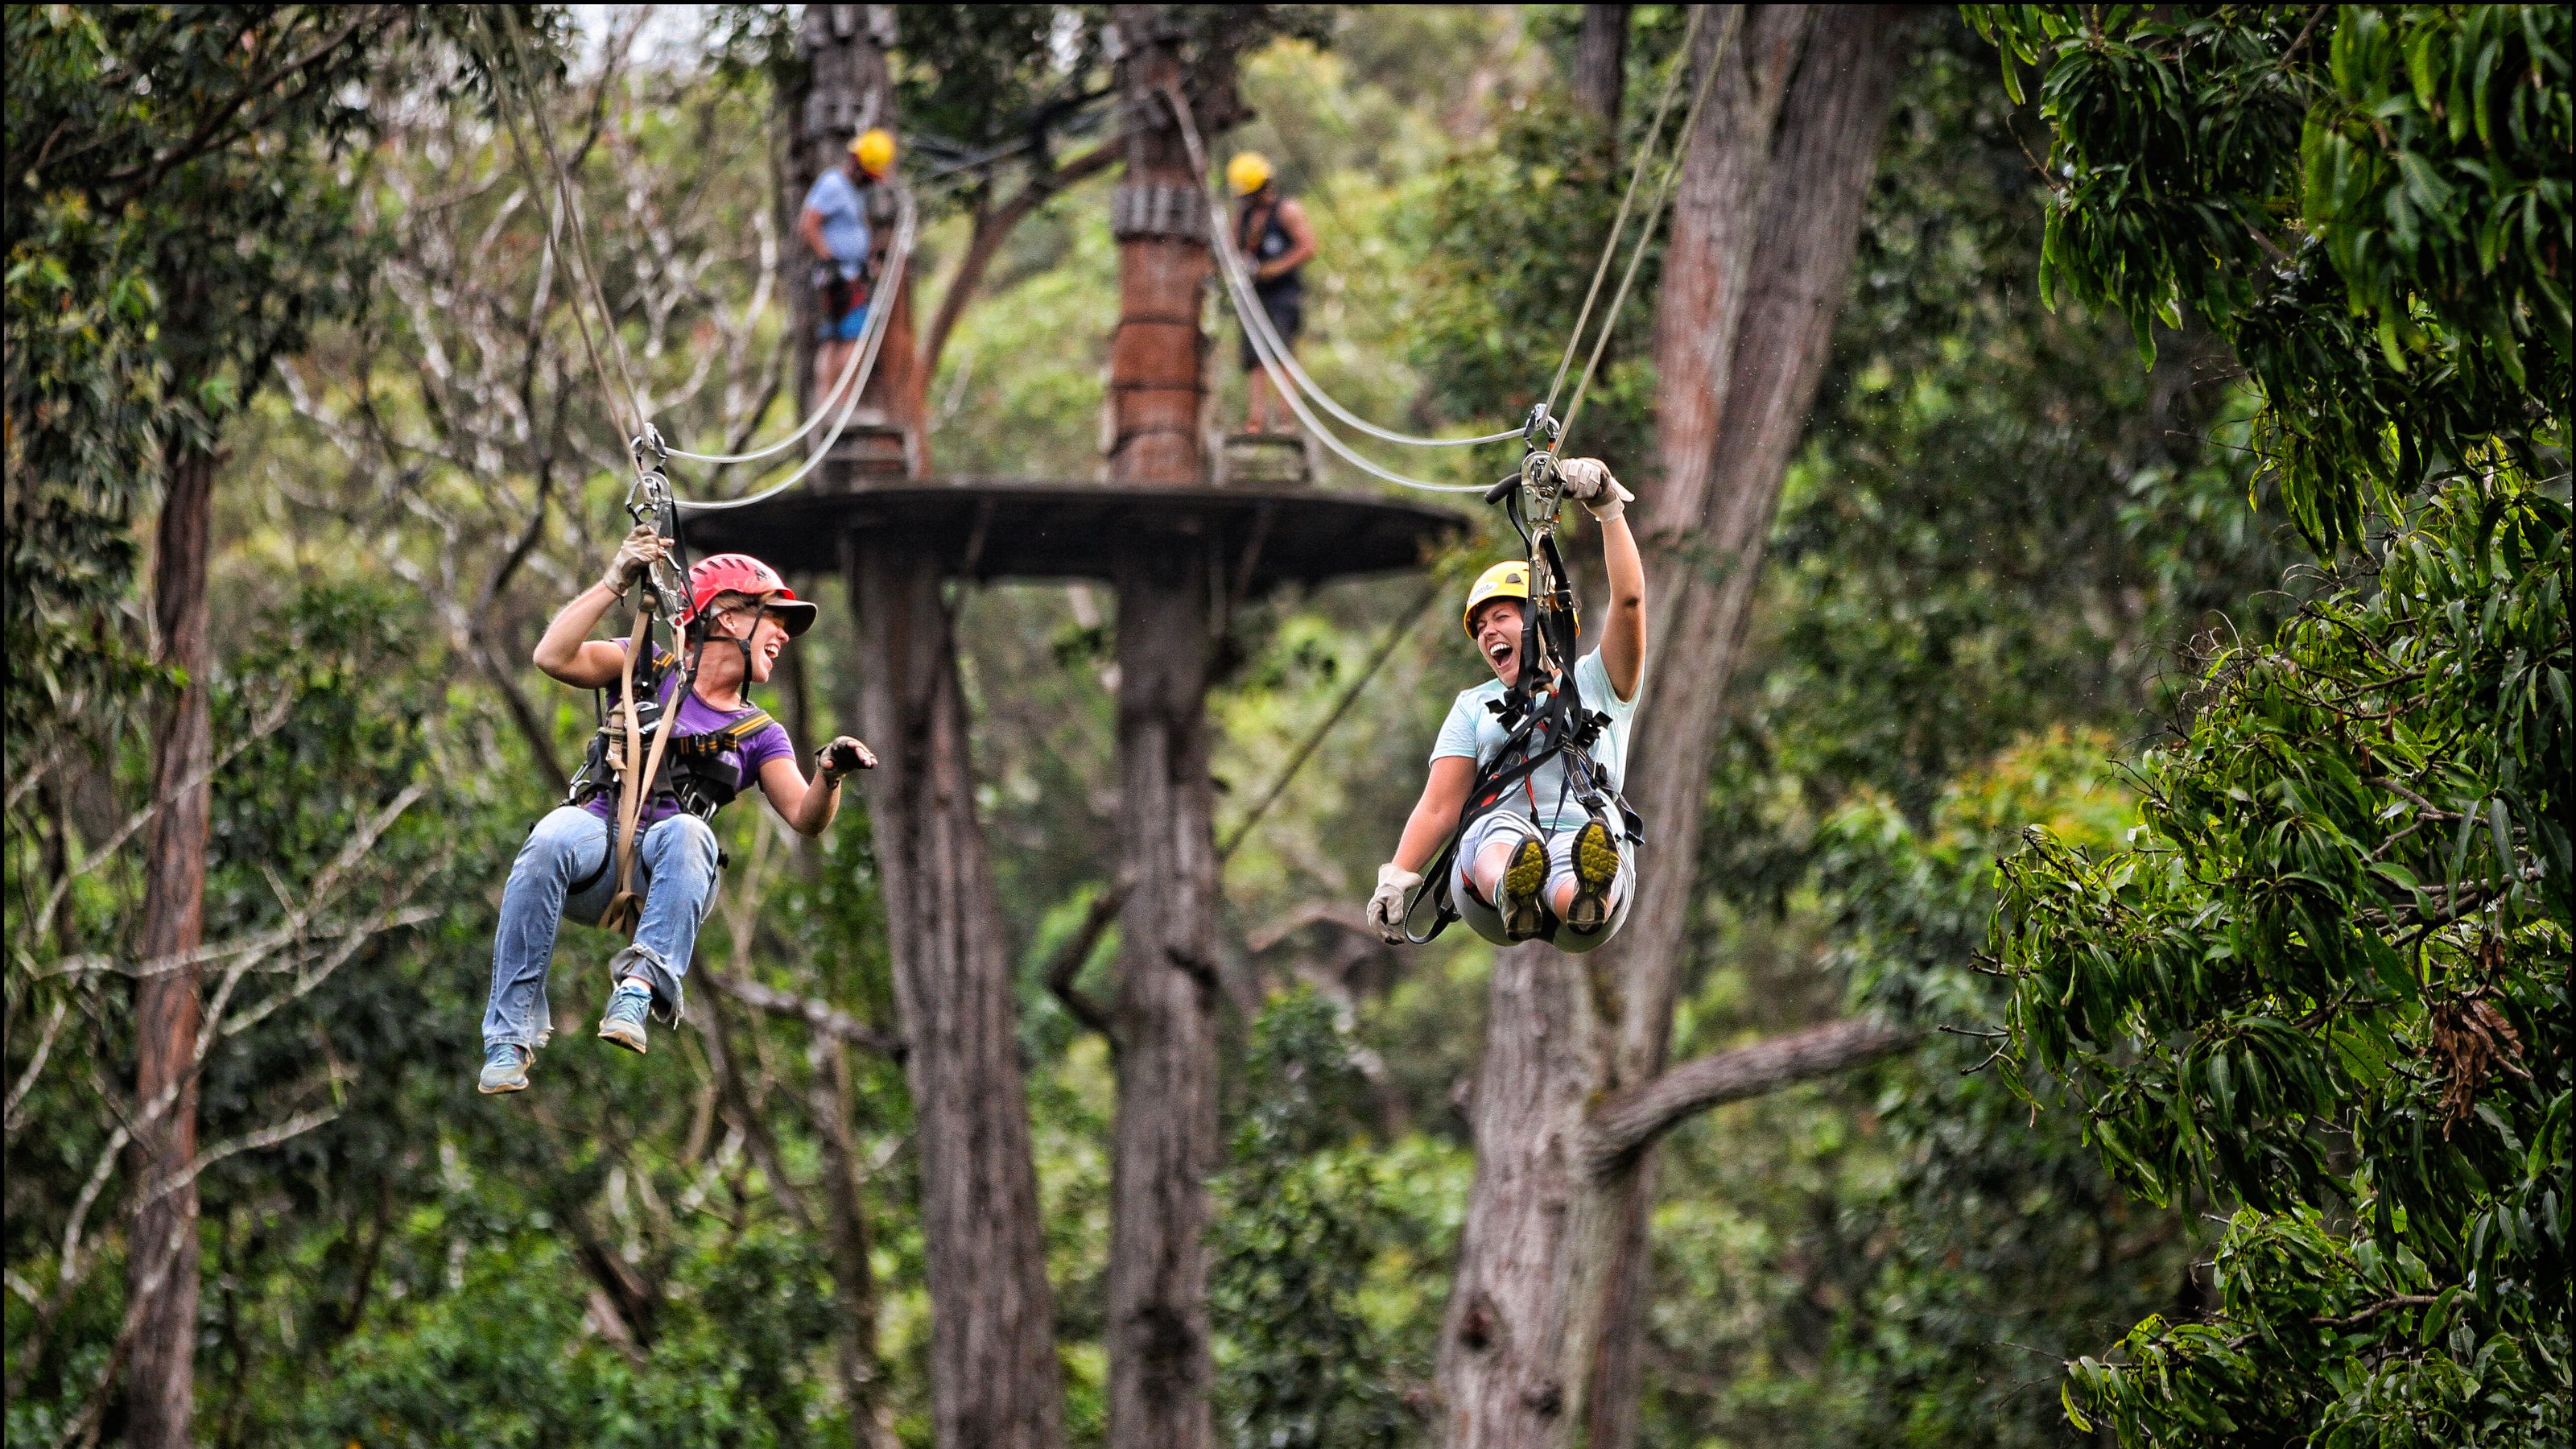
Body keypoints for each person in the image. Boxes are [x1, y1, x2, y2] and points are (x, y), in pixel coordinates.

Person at [477, 529, 877, 1094]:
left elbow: (806, 818)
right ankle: (507, 1038)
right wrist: (615, 579)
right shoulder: (643, 667)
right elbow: (552, 656)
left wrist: (830, 774)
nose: (784, 637)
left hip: (665, 876)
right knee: (546, 838)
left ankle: (640, 988)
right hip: (596, 842)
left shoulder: (759, 734)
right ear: (730, 619)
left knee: (690, 832)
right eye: (775, 619)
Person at [1365, 458, 1644, 951]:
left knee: (1585, 842)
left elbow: (1629, 602)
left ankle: (1581, 895)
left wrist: (1607, 510)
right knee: (1496, 827)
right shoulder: (1474, 706)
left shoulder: (1598, 682)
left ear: (1543, 618)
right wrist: (1398, 875)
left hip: (1586, 840)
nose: (1488, 632)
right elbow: (1439, 807)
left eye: (1501, 616)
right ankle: (1515, 888)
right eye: (1481, 628)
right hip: (1487, 882)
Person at [799, 126, 896, 411]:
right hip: (838, 277)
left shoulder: (853, 192)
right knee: (848, 340)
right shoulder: (833, 184)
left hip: (851, 272)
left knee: (838, 339)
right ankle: (837, 407)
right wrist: (829, 261)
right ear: (859, 165)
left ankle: (834, 406)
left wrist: (867, 260)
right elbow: (808, 224)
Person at [1227, 151, 1316, 435]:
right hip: (1255, 297)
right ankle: (1257, 419)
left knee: (1282, 354)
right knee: (1255, 358)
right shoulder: (1243, 217)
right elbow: (1231, 250)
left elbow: (1308, 246)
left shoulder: (1287, 210)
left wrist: (1276, 268)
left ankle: (1285, 419)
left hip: (1284, 295)